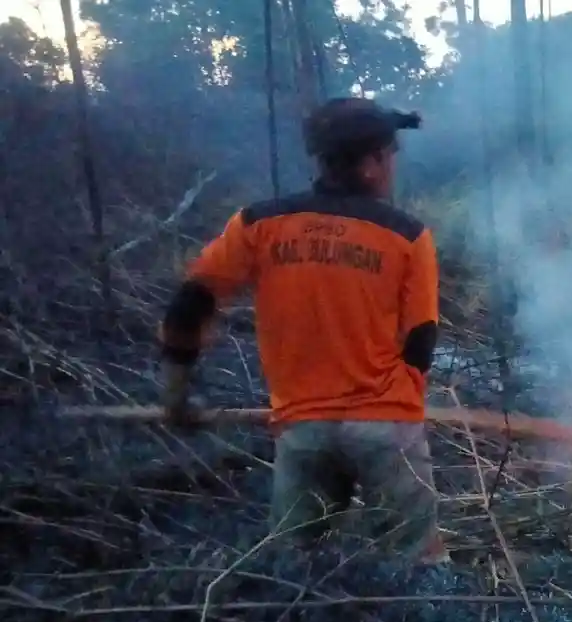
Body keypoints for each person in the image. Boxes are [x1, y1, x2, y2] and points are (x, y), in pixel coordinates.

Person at [156, 97, 445, 562]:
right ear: (371, 164)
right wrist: (399, 409)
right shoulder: (407, 235)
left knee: (293, 567)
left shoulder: (259, 224)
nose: (392, 165)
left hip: (303, 430)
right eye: (389, 155)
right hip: (386, 430)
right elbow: (421, 338)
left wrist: (175, 394)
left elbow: (192, 302)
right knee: (420, 565)